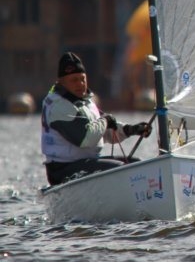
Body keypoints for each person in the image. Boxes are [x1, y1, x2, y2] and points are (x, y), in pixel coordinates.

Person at [41, 51, 152, 186]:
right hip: (63, 169)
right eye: (74, 80)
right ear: (61, 82)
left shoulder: (85, 101)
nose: (80, 84)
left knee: (137, 164)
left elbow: (103, 131)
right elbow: (85, 138)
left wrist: (131, 129)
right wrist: (105, 121)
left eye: (82, 79)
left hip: (85, 162)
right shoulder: (58, 105)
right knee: (121, 169)